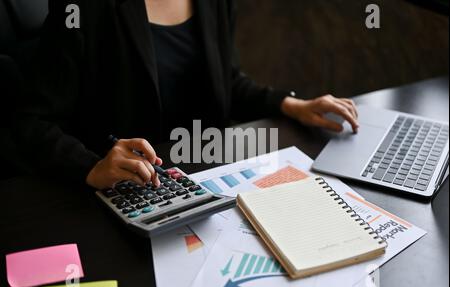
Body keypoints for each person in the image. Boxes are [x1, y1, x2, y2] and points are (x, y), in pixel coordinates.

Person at [13, 0, 359, 190]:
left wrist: (291, 104)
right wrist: (91, 167)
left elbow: (227, 82)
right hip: (129, 190)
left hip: (208, 180)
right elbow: (32, 123)